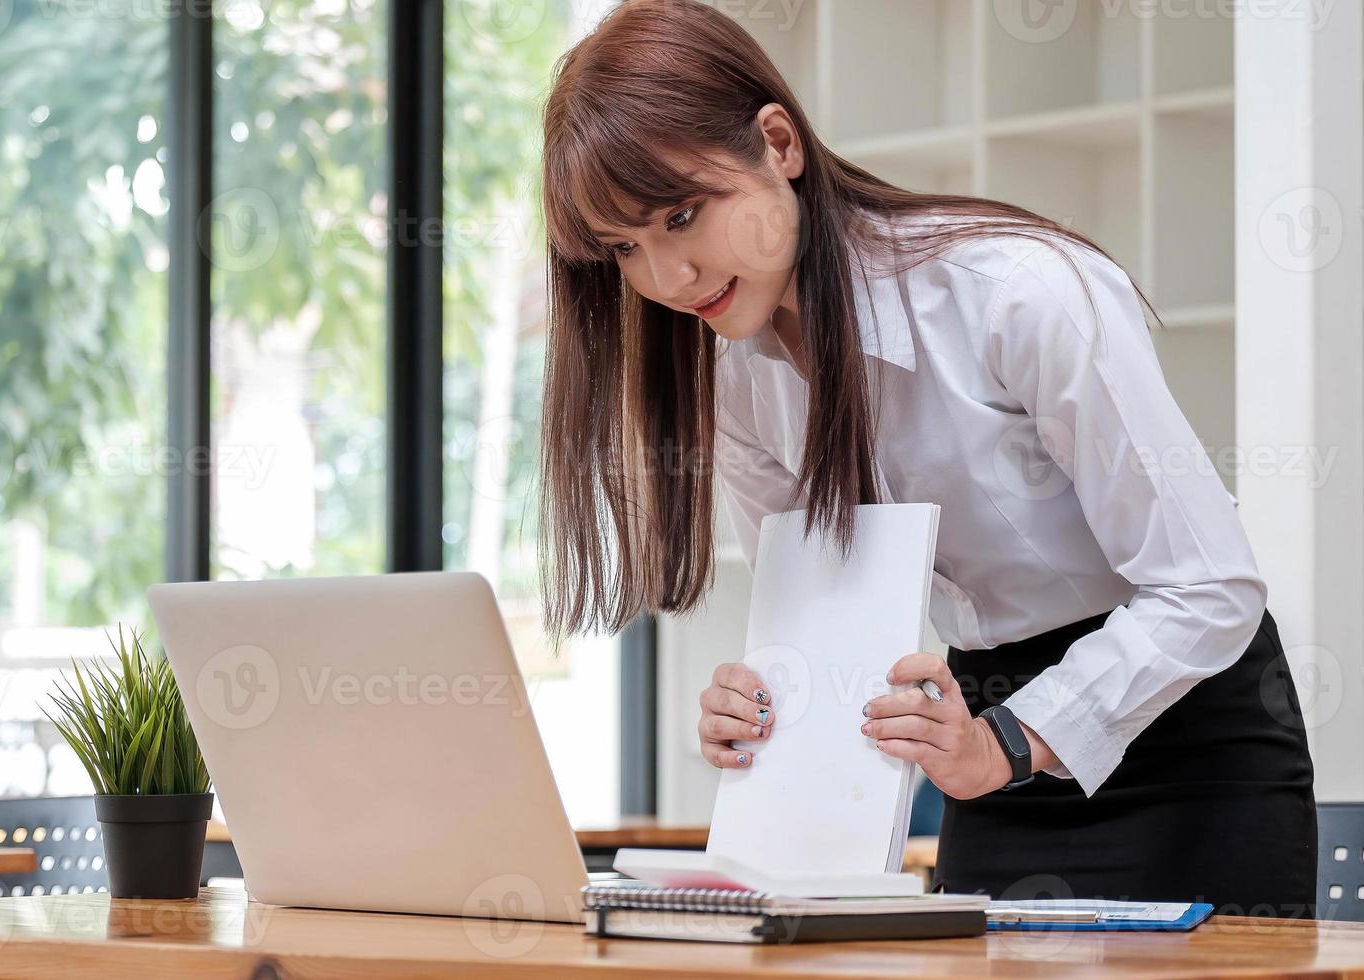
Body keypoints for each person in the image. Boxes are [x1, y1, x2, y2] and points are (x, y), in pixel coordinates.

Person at [536, 0, 1315, 916]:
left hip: (1186, 747)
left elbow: (1210, 589)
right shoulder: (735, 382)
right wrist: (764, 712)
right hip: (979, 742)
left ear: (777, 143)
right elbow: (835, 644)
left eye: (681, 214)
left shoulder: (1016, 295)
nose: (667, 279)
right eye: (626, 247)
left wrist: (1014, 742)